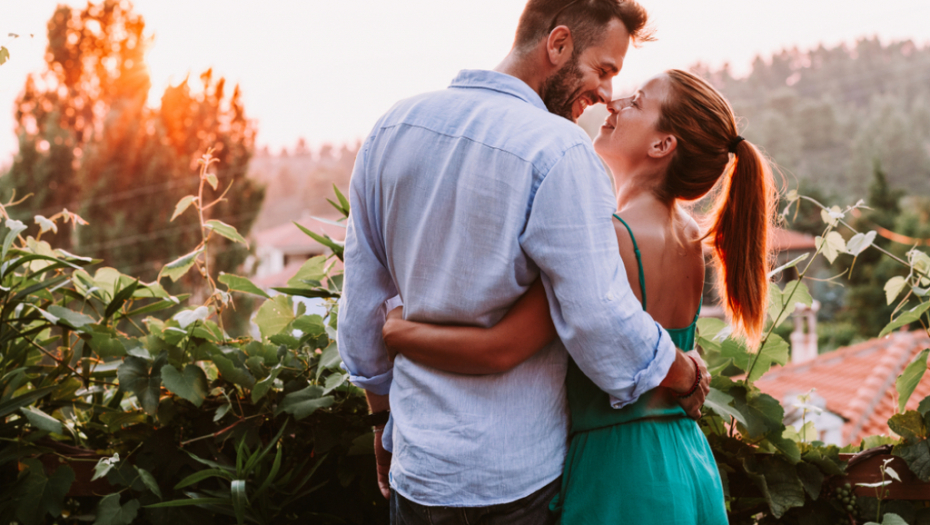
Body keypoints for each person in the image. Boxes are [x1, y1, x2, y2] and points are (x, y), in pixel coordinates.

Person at [337, 1, 709, 522]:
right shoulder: (560, 152)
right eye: (603, 70)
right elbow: (599, 319)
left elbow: (361, 310)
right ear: (557, 45)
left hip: (417, 472)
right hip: (517, 483)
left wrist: (381, 427)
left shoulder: (390, 129)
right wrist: (685, 374)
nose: (605, 95)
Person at [382, 69, 777, 524]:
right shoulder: (686, 235)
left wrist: (398, 332)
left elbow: (500, 347)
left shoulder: (608, 238)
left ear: (662, 145)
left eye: (637, 102)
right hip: (686, 459)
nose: (614, 104)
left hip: (622, 472)